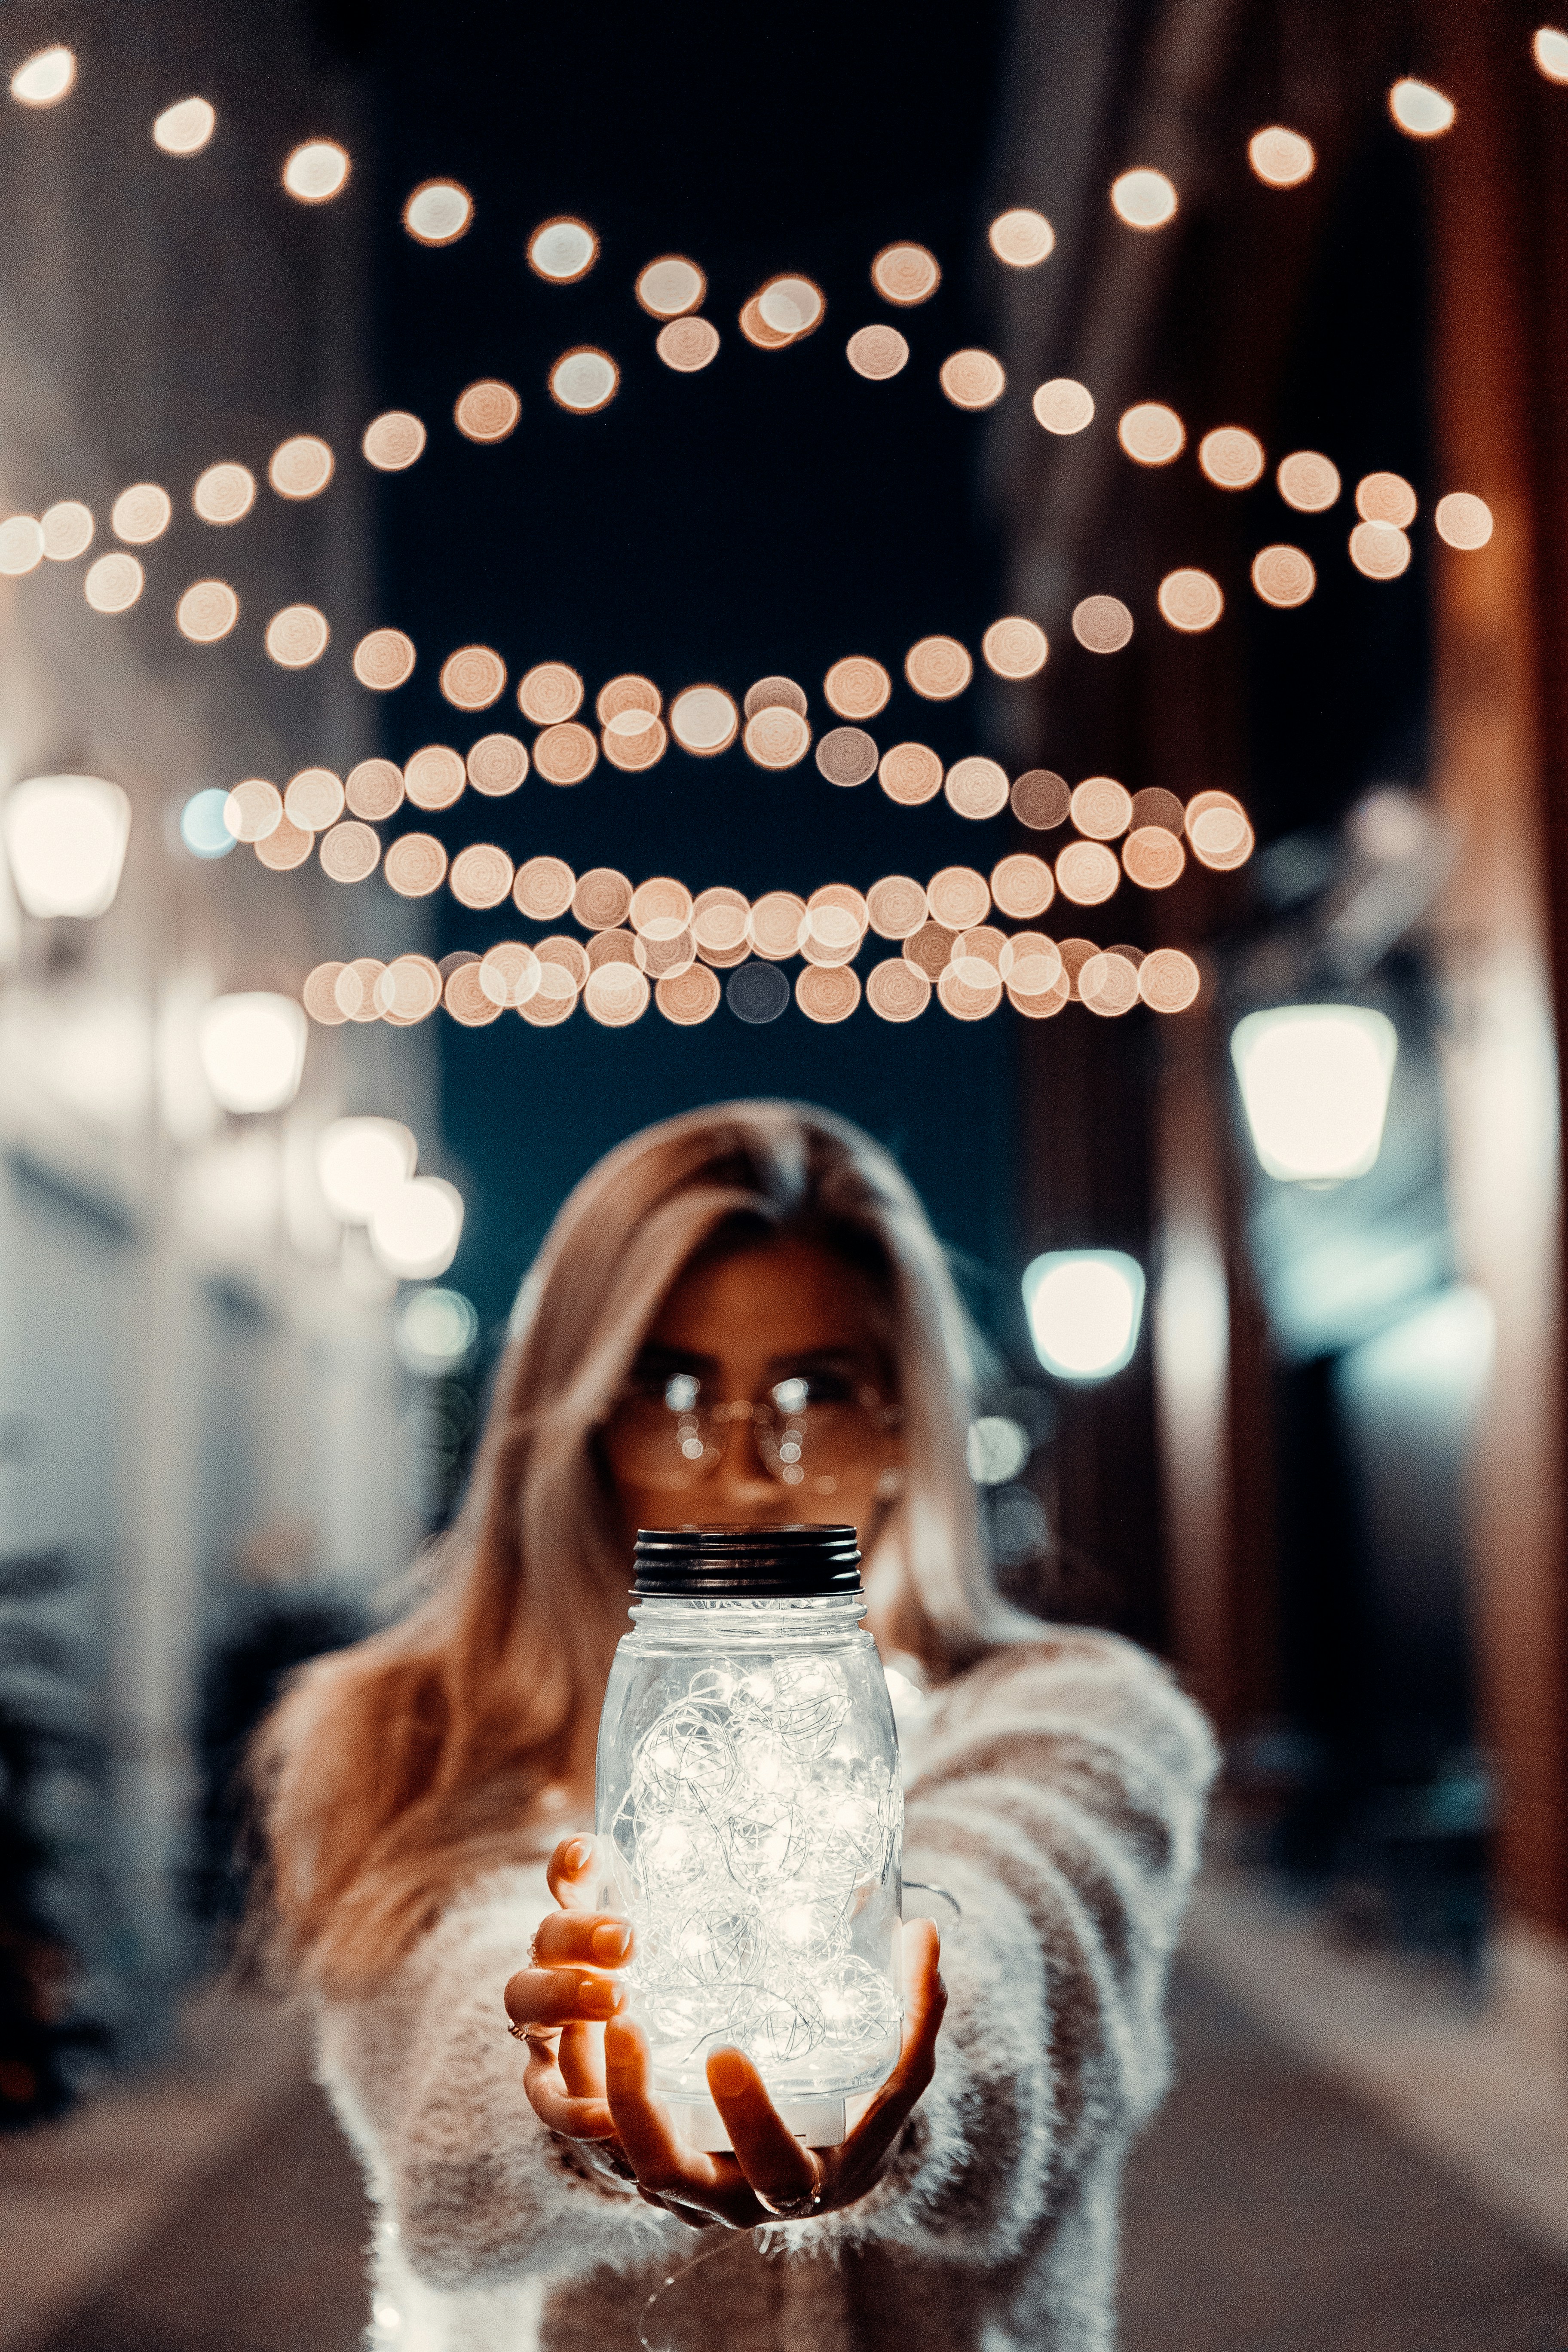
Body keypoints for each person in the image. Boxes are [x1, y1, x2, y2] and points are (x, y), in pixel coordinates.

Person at [257, 1101, 1216, 2352]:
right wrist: (574, 2088)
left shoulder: (1081, 1719)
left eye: (818, 1388)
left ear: (901, 1425)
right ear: (583, 1417)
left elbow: (1024, 1933)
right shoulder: (396, 1732)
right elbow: (446, 2063)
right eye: (670, 1387)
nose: (748, 1467)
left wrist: (890, 2074)